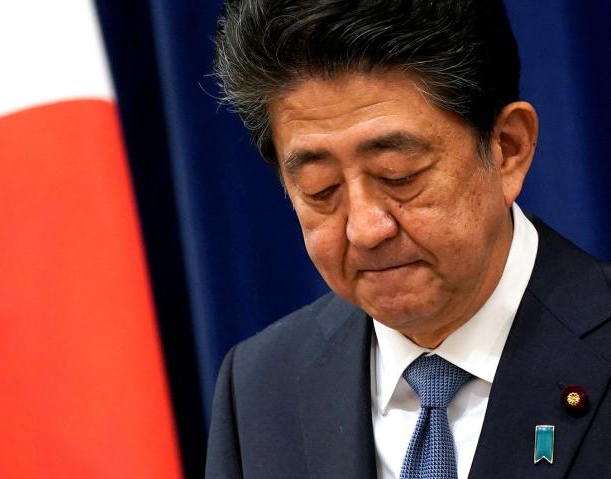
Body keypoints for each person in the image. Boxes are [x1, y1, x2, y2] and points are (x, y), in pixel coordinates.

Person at [206, 1, 611, 477]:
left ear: (507, 149)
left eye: (397, 176)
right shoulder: (259, 385)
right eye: (321, 189)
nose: (365, 229)